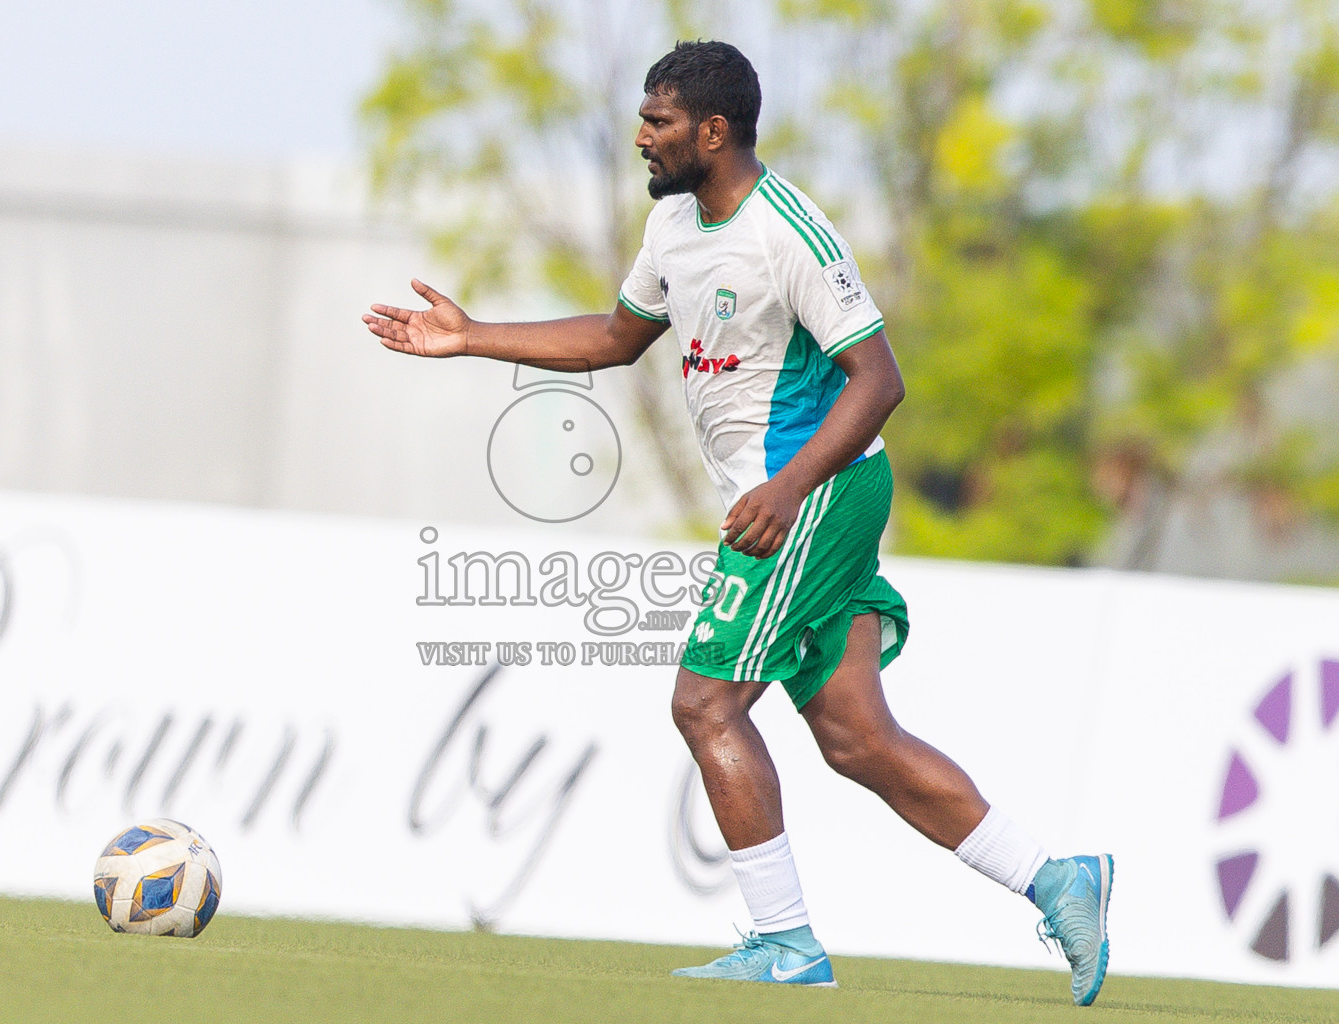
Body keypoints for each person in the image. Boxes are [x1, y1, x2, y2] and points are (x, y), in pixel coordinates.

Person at [364, 40, 1113, 1007]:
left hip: (816, 493)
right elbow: (614, 337)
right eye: (644, 117)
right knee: (855, 737)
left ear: (713, 131)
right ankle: (1058, 879)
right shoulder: (674, 226)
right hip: (791, 499)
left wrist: (788, 488)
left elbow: (878, 381)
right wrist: (471, 337)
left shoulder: (785, 232)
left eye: (659, 121)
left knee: (704, 702)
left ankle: (785, 940)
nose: (641, 137)